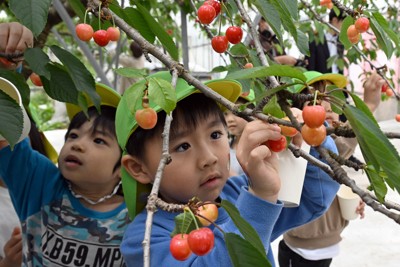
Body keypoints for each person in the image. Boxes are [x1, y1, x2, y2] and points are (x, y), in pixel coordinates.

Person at [115, 71, 340, 266]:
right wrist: (260, 198)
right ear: (138, 167)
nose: (209, 158)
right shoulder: (144, 240)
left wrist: (310, 140)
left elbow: (313, 197)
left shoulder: (240, 193)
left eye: (215, 135)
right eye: (182, 146)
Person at [0, 79, 130, 266]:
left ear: (124, 166)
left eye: (99, 140)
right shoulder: (41, 184)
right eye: (73, 135)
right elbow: (7, 132)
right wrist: (12, 65)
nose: (77, 144)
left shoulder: (137, 218)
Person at [278, 70, 384, 267]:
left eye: (329, 100)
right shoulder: (297, 149)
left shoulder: (334, 147)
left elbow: (340, 152)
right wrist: (369, 105)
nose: (325, 106)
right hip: (298, 250)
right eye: (315, 101)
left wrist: (353, 197)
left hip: (327, 247)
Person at [224, 90, 255, 176]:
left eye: (236, 112)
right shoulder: (226, 148)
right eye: (225, 114)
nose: (229, 119)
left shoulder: (261, 147)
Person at [306, 9, 347, 74]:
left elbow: (340, 66)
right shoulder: (314, 40)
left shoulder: (341, 42)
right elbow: (311, 68)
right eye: (344, 23)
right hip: (321, 82)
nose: (345, 27)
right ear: (335, 20)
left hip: (336, 82)